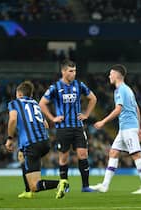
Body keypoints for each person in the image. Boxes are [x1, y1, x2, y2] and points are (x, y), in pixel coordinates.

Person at [90, 64, 141, 194]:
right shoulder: (127, 89)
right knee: (113, 152)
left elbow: (118, 109)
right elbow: (137, 108)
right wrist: (139, 127)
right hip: (127, 127)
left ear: (117, 75)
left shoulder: (121, 90)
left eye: (111, 73)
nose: (109, 76)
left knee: (136, 155)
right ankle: (105, 185)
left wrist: (103, 121)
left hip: (128, 128)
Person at [39, 59, 97, 192]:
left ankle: (85, 186)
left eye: (75, 71)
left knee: (83, 154)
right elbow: (42, 103)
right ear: (63, 71)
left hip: (77, 126)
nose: (74, 73)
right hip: (63, 128)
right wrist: (53, 118)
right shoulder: (55, 87)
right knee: (63, 158)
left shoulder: (79, 85)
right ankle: (64, 185)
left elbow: (93, 98)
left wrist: (86, 114)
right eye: (71, 71)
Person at [5, 81, 68, 199]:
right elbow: (46, 125)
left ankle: (60, 183)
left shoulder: (14, 103)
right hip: (44, 142)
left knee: (35, 185)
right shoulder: (35, 104)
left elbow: (13, 119)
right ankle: (27, 191)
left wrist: (10, 138)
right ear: (30, 95)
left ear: (18, 94)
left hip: (31, 144)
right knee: (21, 155)